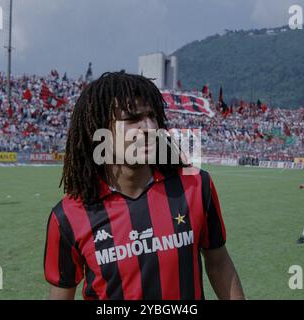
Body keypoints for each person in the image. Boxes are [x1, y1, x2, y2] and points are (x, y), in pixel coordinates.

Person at [43, 72, 244, 300]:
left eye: (151, 116)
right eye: (132, 119)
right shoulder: (68, 216)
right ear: (99, 131)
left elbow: (219, 263)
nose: (148, 127)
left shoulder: (196, 186)